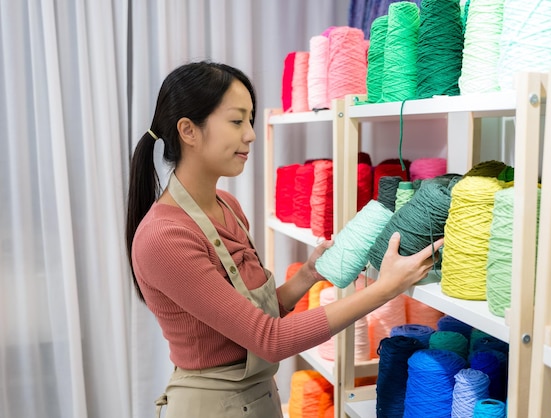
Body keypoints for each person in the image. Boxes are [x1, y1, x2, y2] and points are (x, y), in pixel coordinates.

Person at [125, 61, 444, 418]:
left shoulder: (227, 206)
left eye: (250, 120)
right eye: (236, 121)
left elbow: (250, 315)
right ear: (188, 130)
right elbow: (269, 339)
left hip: (258, 398)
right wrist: (384, 289)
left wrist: (307, 274)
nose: (250, 134)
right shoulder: (164, 238)